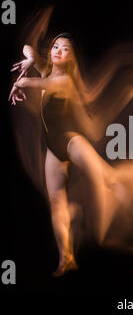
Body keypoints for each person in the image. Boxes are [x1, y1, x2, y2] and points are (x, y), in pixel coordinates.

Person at [9, 33, 125, 276]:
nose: (58, 50)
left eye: (65, 49)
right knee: (56, 202)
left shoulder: (64, 80)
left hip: (71, 140)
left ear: (72, 58)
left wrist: (23, 83)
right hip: (53, 148)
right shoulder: (45, 71)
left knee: (106, 179)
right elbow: (27, 47)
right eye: (55, 46)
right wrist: (31, 61)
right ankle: (66, 257)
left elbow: (42, 85)